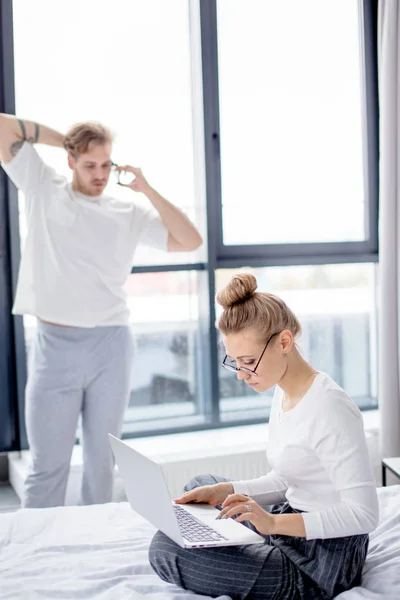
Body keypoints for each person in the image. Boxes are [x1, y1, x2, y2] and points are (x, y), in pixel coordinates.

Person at [0, 114, 202, 508]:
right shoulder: (44, 186)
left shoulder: (127, 213)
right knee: (48, 466)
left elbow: (190, 239)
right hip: (54, 347)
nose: (100, 174)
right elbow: (2, 126)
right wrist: (67, 142)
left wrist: (146, 188)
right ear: (72, 161)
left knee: (101, 466)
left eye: (106, 165)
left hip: (111, 345)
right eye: (90, 164)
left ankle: (91, 554)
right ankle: (40, 557)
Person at [149, 273, 379, 600]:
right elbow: (290, 479)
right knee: (201, 488)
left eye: (248, 363)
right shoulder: (284, 391)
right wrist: (228, 491)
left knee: (164, 549)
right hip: (290, 525)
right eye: (234, 363)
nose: (242, 375)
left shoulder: (329, 407)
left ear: (283, 343)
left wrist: (270, 524)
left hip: (321, 561)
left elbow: (364, 514)